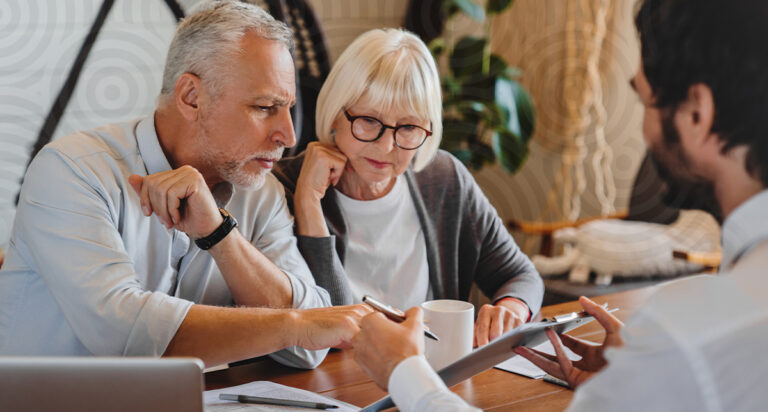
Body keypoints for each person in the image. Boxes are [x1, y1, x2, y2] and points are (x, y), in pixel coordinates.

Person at [352, 0, 768, 410]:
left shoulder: (685, 335)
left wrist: (405, 373)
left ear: (697, 112)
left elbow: (519, 274)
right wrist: (633, 384)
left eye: (644, 100)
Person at [0, 1, 372, 369]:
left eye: (287, 108)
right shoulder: (71, 171)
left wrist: (220, 235)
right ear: (191, 97)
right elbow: (123, 336)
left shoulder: (262, 192)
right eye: (264, 107)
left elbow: (311, 348)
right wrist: (292, 325)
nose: (288, 136)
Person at [273, 29, 543, 347]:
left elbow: (521, 276)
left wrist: (512, 307)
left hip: (429, 376)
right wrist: (308, 204)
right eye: (369, 120)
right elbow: (324, 327)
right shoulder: (283, 187)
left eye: (409, 127)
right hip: (331, 385)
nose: (386, 145)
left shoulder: (442, 178)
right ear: (335, 113)